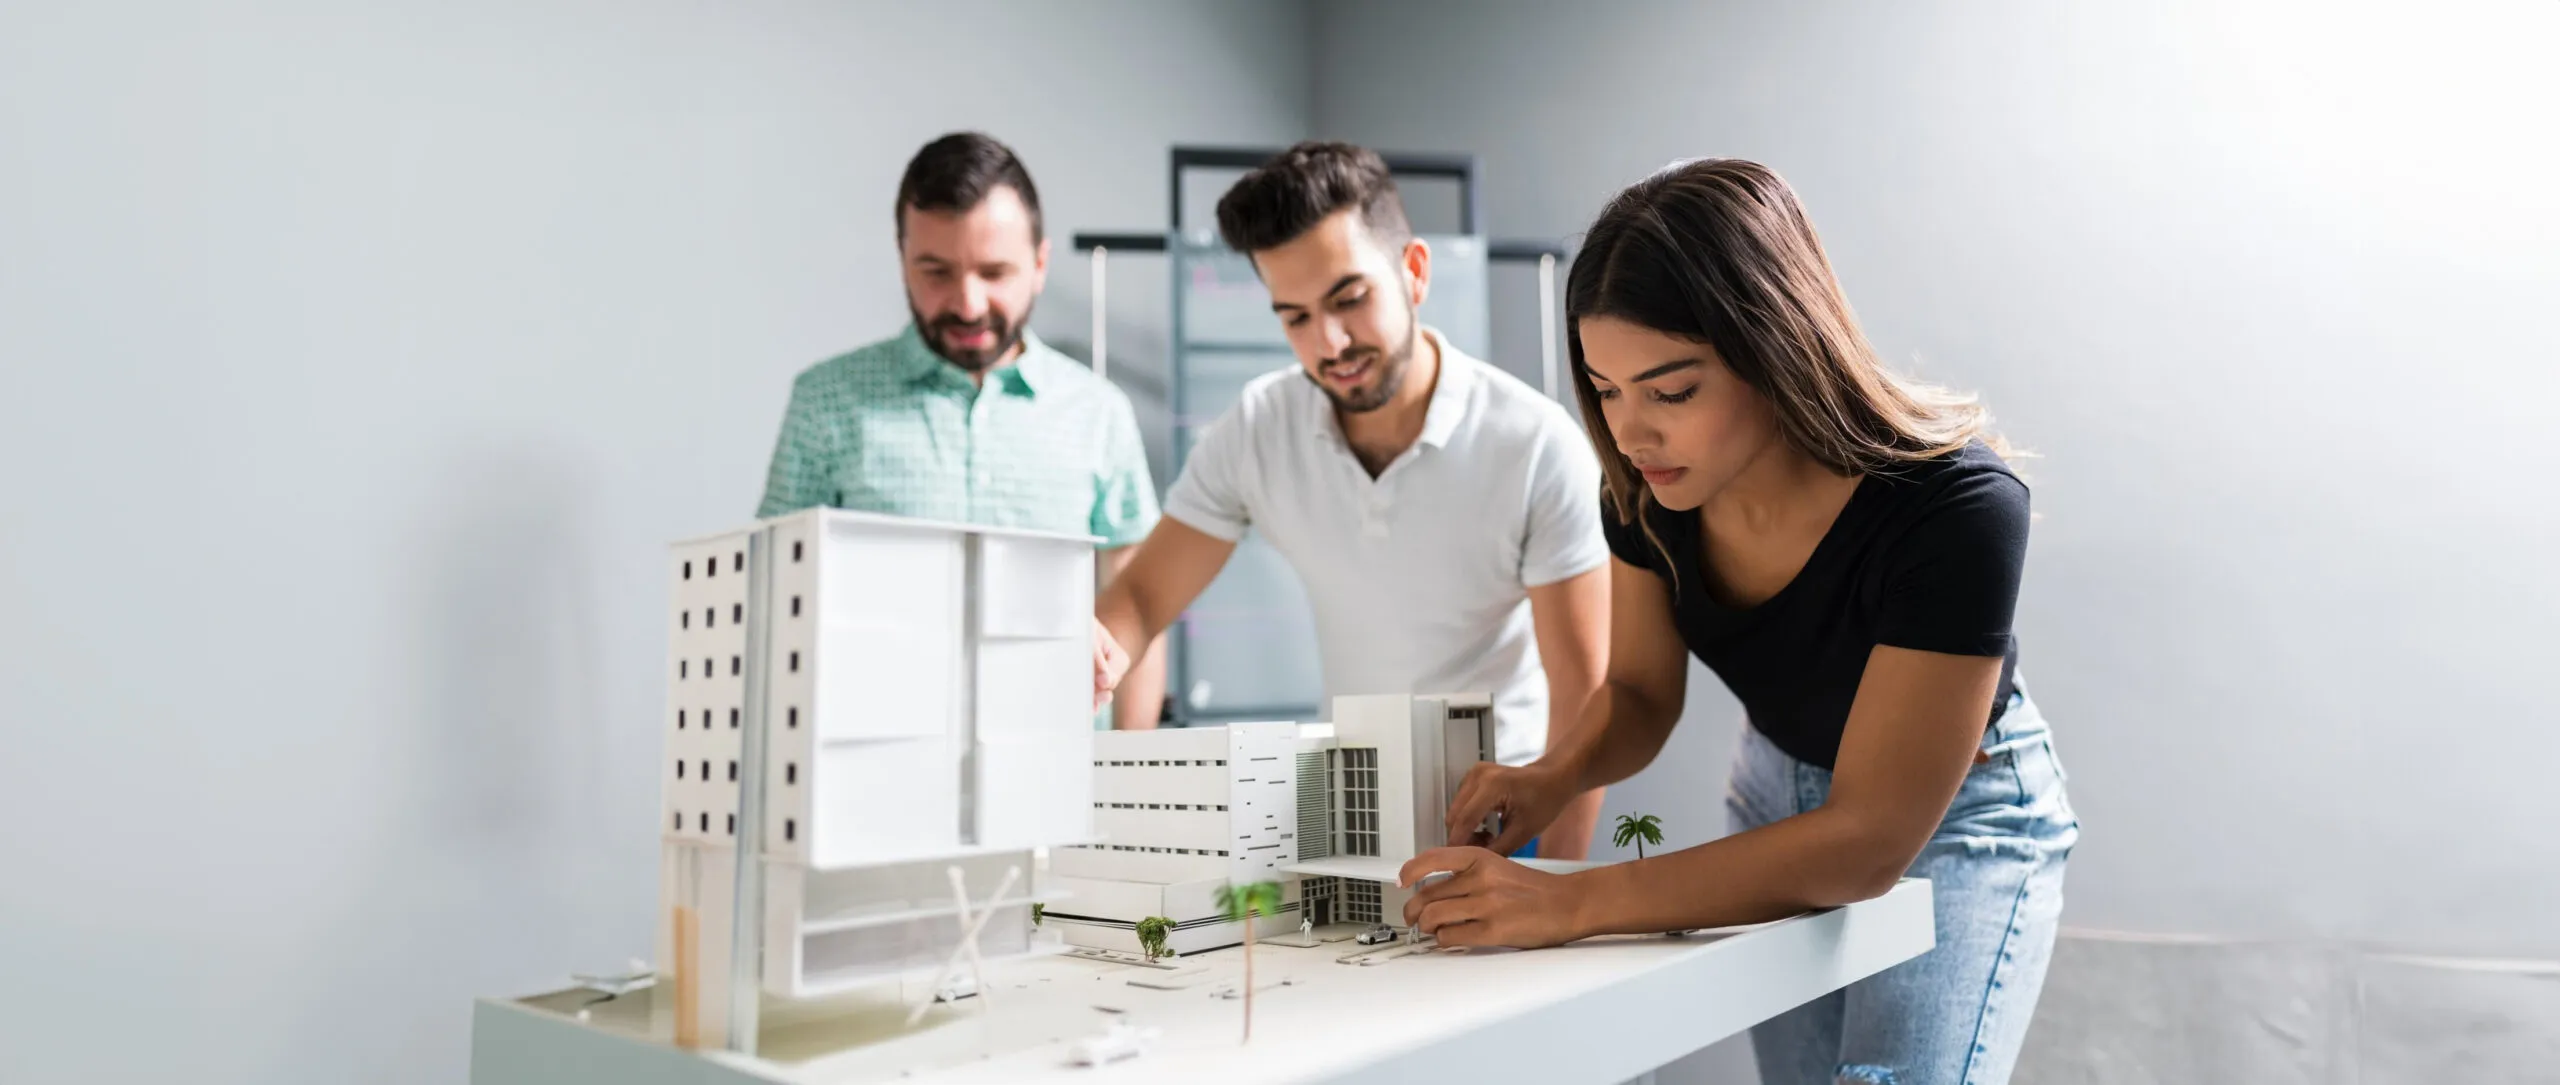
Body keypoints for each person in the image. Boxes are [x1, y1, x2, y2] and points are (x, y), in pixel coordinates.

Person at [1397, 159, 2079, 1085]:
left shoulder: (1957, 511)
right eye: (1606, 389)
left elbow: (1868, 837)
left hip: (1960, 812)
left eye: (1671, 392)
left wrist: (1573, 902)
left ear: (1776, 348)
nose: (1633, 434)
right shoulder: (1645, 491)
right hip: (1772, 789)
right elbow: (1640, 691)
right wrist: (1551, 776)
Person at [1090, 142, 1613, 858]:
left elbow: (1585, 701)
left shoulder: (1535, 446)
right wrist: (1088, 654)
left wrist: (1555, 891)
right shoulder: (1257, 427)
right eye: (1295, 317)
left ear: (1416, 272)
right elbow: (1142, 599)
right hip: (1347, 818)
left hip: (1506, 825)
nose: (1328, 342)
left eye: (1349, 299)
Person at [756, 131, 1168, 727]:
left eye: (995, 272)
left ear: (1041, 264)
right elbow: (773, 601)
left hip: (1063, 784)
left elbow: (1140, 613)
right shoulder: (826, 401)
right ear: (903, 260)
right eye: (937, 272)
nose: (968, 303)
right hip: (872, 773)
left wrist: (1133, 793)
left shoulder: (1099, 412)